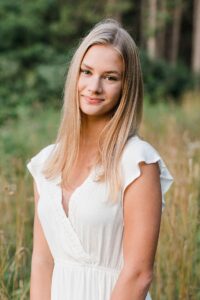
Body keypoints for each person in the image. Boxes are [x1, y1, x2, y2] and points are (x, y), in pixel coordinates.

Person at [27, 19, 173, 300]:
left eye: (110, 77)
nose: (94, 87)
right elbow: (42, 262)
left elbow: (138, 274)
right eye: (87, 72)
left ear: (126, 87)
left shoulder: (138, 163)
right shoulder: (47, 164)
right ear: (76, 75)